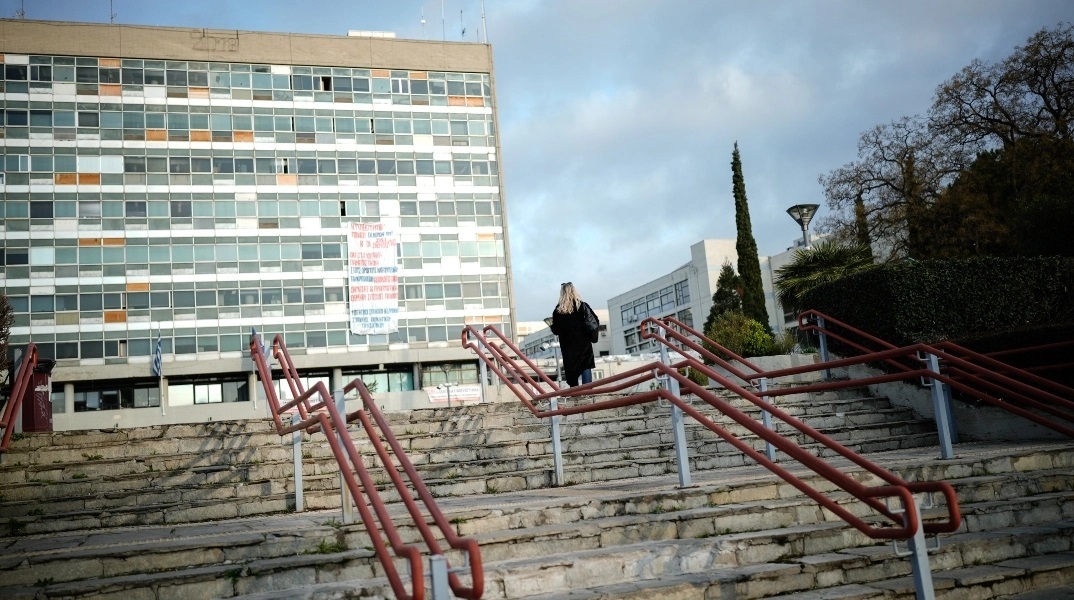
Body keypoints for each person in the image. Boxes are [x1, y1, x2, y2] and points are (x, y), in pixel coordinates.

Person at [549, 282, 598, 387]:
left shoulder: (557, 312)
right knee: (586, 365)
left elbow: (556, 330)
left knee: (571, 370)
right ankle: (588, 392)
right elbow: (594, 322)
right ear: (574, 292)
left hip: (568, 347)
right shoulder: (582, 306)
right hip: (583, 344)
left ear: (562, 294)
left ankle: (574, 393)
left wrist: (552, 326)